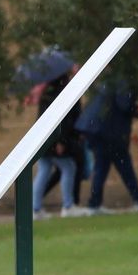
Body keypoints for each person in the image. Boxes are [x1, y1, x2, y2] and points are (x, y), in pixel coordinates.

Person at [75, 79, 138, 215]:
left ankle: (95, 203)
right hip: (108, 130)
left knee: (103, 167)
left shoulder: (115, 79)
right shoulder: (124, 81)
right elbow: (125, 104)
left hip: (98, 128)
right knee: (121, 165)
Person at [32, 67, 84, 218]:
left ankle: (35, 208)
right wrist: (60, 141)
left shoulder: (47, 89)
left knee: (45, 169)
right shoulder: (61, 89)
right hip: (54, 139)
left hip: (44, 139)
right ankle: (68, 206)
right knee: (68, 167)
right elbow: (62, 118)